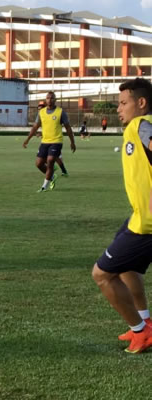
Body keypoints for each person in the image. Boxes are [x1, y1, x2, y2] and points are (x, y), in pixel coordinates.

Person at [91, 78, 152, 353]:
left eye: (123, 103)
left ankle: (142, 333)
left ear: (141, 103)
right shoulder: (137, 128)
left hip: (148, 225)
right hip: (139, 218)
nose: (118, 109)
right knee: (127, 267)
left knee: (102, 274)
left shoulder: (143, 125)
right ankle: (144, 323)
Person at [23, 91, 76, 192]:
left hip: (57, 141)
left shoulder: (61, 112)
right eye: (48, 98)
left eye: (52, 98)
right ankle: (51, 177)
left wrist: (72, 142)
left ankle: (44, 187)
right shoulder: (41, 112)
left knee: (51, 160)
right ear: (46, 100)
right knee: (38, 164)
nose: (49, 100)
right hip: (44, 142)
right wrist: (27, 140)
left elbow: (68, 128)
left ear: (55, 100)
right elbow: (35, 127)